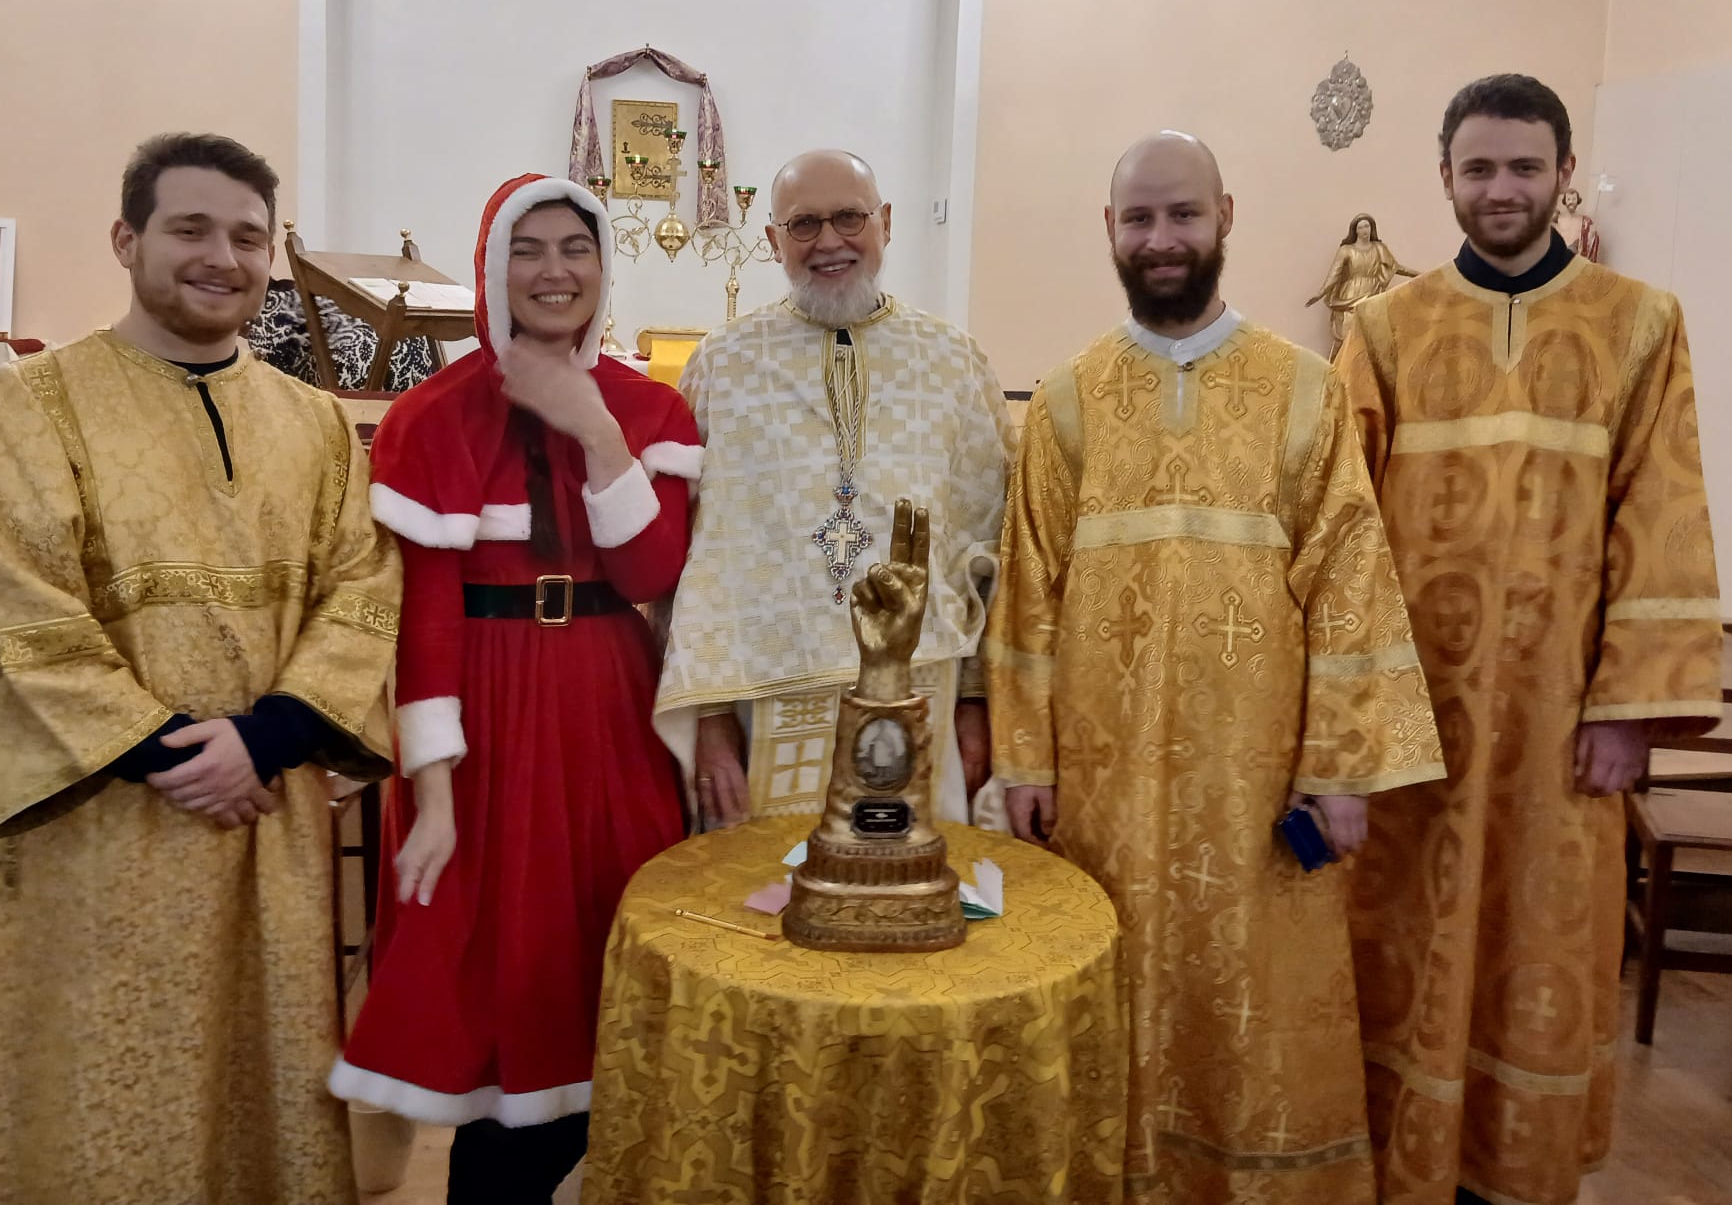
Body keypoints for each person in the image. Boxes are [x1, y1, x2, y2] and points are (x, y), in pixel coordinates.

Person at [0, 132, 400, 1204]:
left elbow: (364, 589)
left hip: (264, 814)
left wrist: (269, 738)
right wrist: (168, 752)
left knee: (261, 1079)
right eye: (191, 229)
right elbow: (9, 606)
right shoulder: (33, 404)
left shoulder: (314, 424)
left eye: (248, 238)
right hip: (107, 821)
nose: (222, 258)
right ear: (127, 239)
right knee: (104, 1090)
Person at [985, 130, 1445, 1203]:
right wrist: (1024, 758)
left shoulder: (1303, 390)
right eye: (1140, 219)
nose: (1162, 239)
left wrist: (1340, 768)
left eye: (1183, 214)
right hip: (1103, 790)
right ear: (1110, 230)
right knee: (1116, 989)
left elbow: (1350, 584)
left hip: (1259, 786)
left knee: (1256, 1003)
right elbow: (1027, 592)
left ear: (1225, 217)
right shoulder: (1067, 398)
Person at [1336, 74, 1723, 1205]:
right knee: (1402, 943)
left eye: (1522, 166)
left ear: (1563, 173)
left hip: (1562, 724)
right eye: (1478, 168)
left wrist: (1629, 711)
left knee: (1538, 946)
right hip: (1416, 719)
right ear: (1444, 178)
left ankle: (1512, 1176)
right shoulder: (1386, 328)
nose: (1499, 188)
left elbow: (1664, 512)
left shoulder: (1639, 322)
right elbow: (1342, 523)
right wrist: (1347, 711)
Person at [330, 173, 695, 1204]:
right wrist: (434, 790)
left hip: (610, 710)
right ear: (493, 269)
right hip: (484, 725)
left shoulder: (650, 409)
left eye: (575, 248)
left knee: (607, 953)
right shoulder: (433, 417)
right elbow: (426, 614)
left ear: (603, 265)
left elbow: (651, 574)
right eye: (526, 250)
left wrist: (597, 430)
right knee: (498, 986)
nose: (553, 271)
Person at [654, 149, 1012, 830]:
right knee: (766, 887)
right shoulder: (723, 365)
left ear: (885, 222)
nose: (828, 242)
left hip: (919, 691)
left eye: (849, 218)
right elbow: (695, 552)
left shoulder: (954, 362)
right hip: (763, 697)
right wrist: (709, 715)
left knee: (909, 885)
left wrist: (976, 701)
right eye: (804, 224)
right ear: (772, 240)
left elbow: (986, 540)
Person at [1305, 212, 1417, 357]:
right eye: (1361, 227)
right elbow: (1334, 275)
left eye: (1367, 226)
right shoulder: (1346, 250)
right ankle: (1336, 368)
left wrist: (1418, 275)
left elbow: (1397, 267)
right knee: (1346, 336)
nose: (1364, 230)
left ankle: (1366, 369)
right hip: (1350, 296)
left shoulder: (1379, 248)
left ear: (1372, 228)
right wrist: (1320, 293)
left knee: (1372, 339)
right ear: (1355, 230)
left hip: (1372, 295)